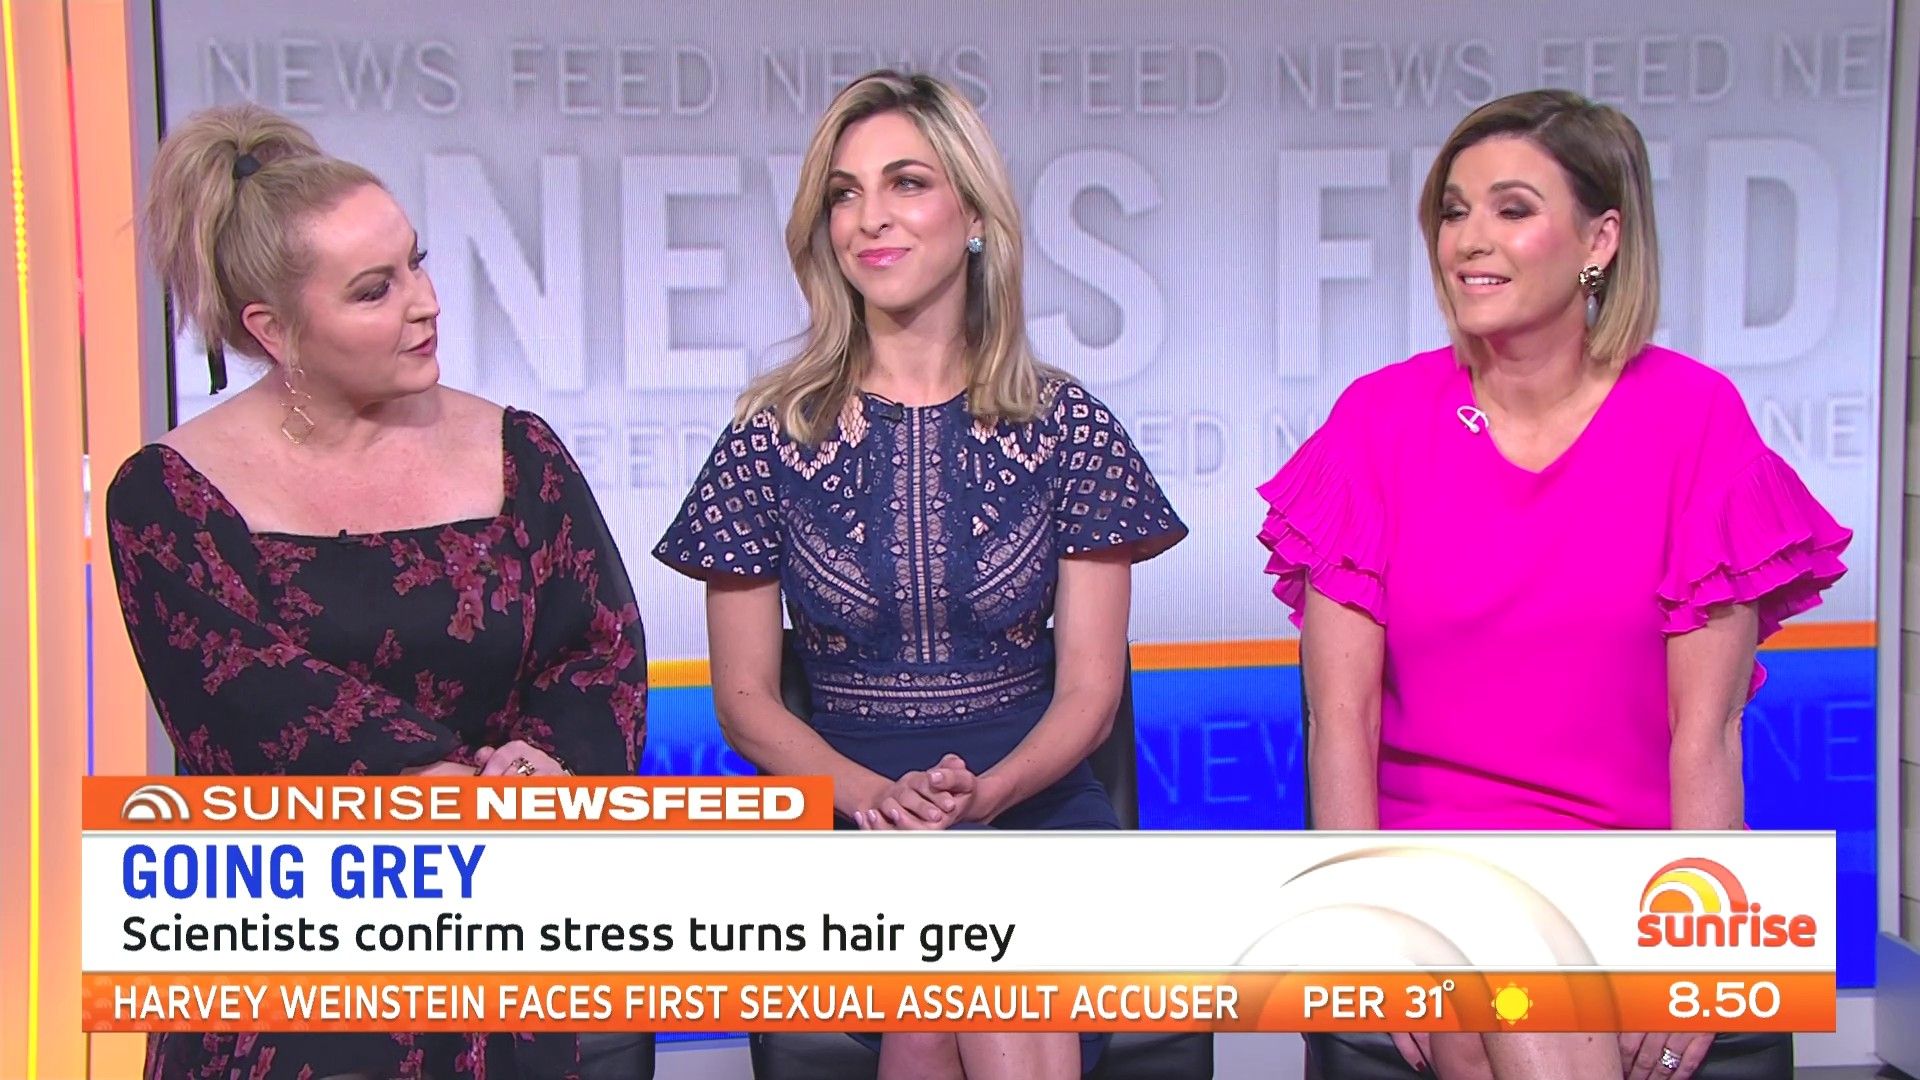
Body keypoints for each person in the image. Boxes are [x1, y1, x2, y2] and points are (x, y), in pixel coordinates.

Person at [1257, 89, 1848, 1080]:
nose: (1469, 240)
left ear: (1599, 240)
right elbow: (1340, 719)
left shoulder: (1694, 420)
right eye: (1454, 211)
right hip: (1438, 874)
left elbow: (1705, 729)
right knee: (1513, 967)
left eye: (1512, 209)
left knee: (1505, 1014)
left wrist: (1700, 949)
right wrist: (1366, 923)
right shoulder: (1378, 423)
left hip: (1631, 875)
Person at [654, 70, 1185, 1079]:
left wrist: (986, 797)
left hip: (1037, 810)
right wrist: (878, 804)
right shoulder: (768, 437)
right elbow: (745, 701)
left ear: (975, 215)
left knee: (966, 972)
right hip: (843, 821)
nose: (870, 218)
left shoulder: (1068, 428)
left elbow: (1090, 693)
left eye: (906, 183)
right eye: (844, 194)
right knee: (961, 969)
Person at [107, 102, 648, 1080]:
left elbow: (597, 648)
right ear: (275, 330)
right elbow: (247, 704)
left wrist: (546, 765)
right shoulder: (169, 497)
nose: (425, 302)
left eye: (416, 263)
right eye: (374, 290)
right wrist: (440, 786)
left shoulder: (519, 450)